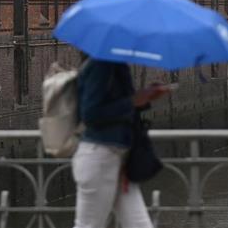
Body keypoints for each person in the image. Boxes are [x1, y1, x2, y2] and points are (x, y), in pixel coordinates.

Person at [72, 57, 169, 228]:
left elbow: (120, 107)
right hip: (100, 158)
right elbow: (90, 113)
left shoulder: (115, 64)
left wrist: (145, 96)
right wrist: (133, 101)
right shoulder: (101, 65)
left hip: (117, 159)